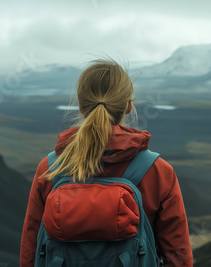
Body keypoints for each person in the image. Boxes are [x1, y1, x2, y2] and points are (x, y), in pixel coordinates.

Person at [20, 58, 193, 266]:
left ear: (82, 107)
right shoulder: (157, 172)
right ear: (128, 107)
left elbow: (31, 251)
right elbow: (178, 256)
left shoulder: (50, 169)